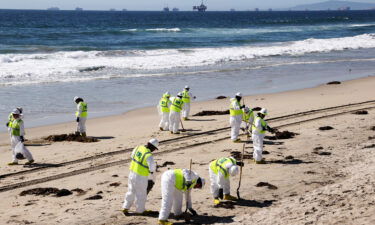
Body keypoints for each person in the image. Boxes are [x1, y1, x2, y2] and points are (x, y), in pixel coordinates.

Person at [122, 139, 158, 215]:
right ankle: (140, 210)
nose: (154, 150)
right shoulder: (149, 155)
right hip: (141, 177)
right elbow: (152, 169)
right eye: (154, 149)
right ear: (153, 147)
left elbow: (132, 156)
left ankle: (125, 207)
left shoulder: (138, 147)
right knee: (141, 194)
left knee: (130, 191)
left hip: (132, 173)